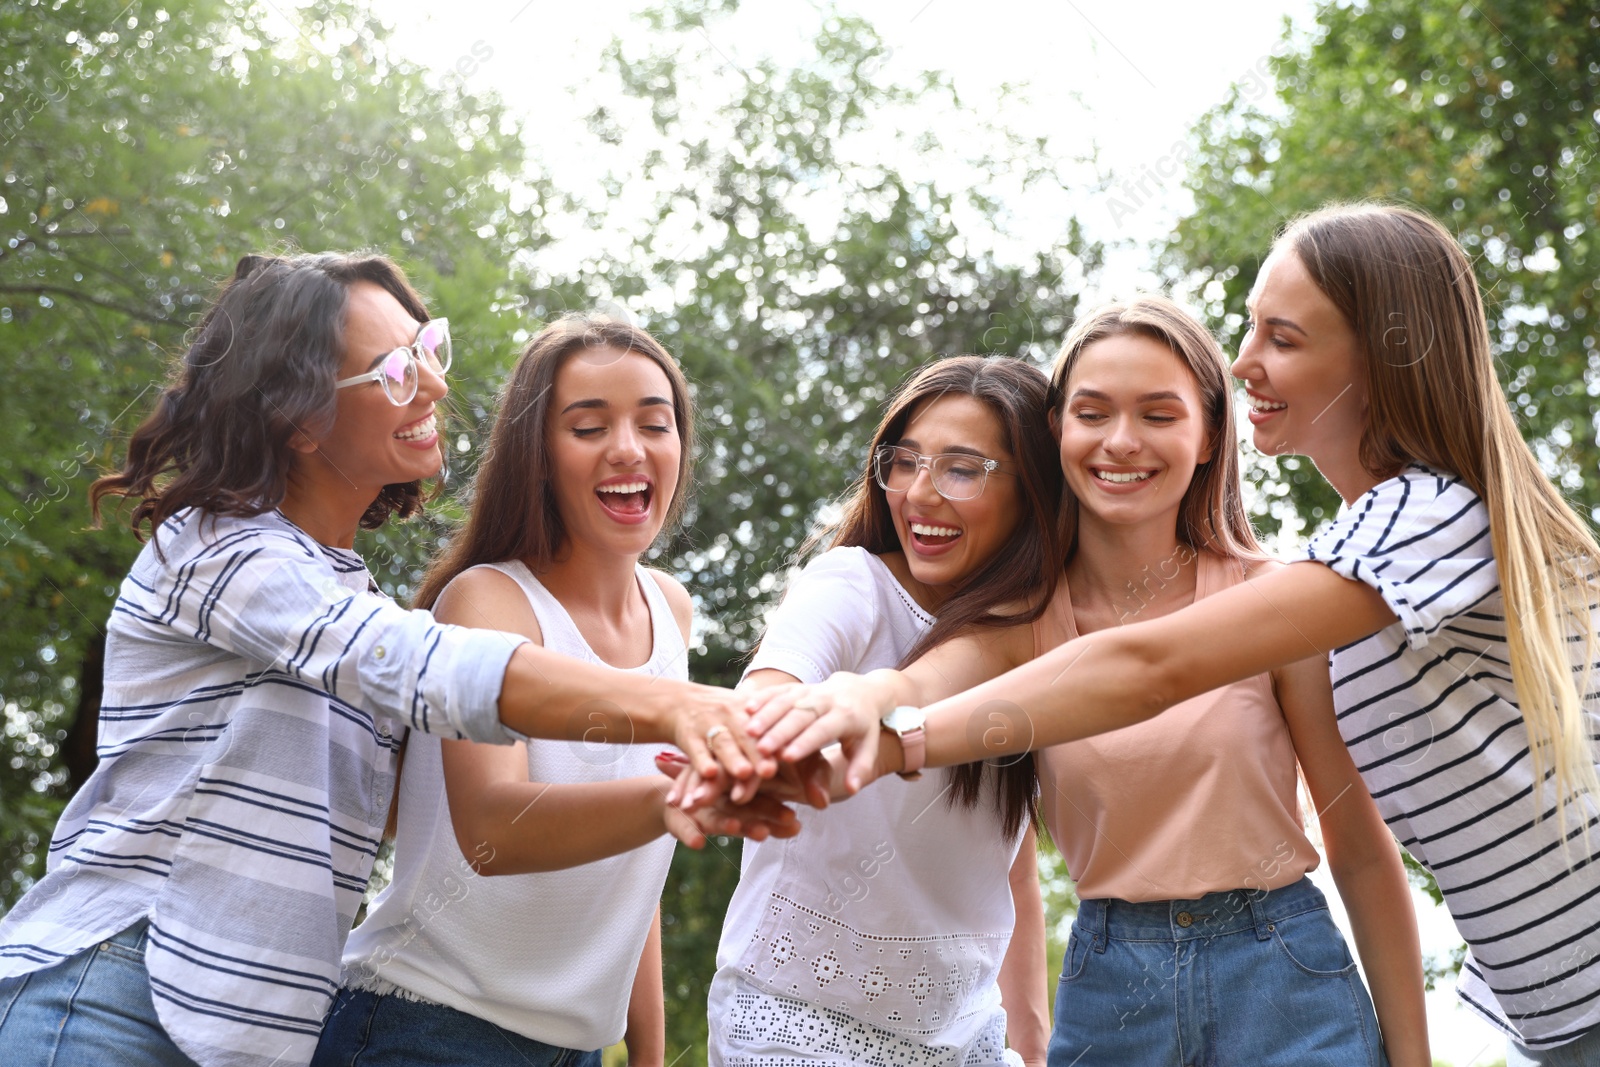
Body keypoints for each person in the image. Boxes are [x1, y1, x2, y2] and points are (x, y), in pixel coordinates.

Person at [747, 203, 1600, 1065]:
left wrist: (897, 743)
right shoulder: (1353, 555)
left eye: (1283, 337)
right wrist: (867, 700)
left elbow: (1154, 665)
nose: (1246, 361)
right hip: (1524, 997)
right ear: (1058, 431)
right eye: (1250, 330)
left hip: (1322, 964)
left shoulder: (1405, 530)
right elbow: (938, 673)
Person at [0, 255, 760, 1067]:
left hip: (252, 1034)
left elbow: (422, 801)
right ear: (300, 417)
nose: (432, 384)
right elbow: (426, 666)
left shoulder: (346, 591)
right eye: (394, 369)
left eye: (429, 348)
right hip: (115, 993)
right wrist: (689, 709)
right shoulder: (222, 550)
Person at [310, 315, 793, 1067]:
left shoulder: (672, 609)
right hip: (426, 1027)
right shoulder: (488, 601)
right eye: (589, 426)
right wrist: (677, 801)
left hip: (575, 1049)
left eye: (654, 424)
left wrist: (648, 1052)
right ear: (538, 458)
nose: (628, 448)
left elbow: (632, 870)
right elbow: (492, 830)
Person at [703, 356, 1060, 1066]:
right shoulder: (853, 583)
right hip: (798, 1020)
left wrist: (1034, 1040)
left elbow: (1011, 865)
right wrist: (764, 734)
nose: (920, 494)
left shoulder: (1040, 634)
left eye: (962, 469)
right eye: (904, 462)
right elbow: (767, 694)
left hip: (966, 1035)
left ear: (1032, 491)